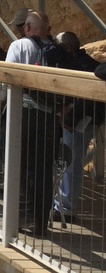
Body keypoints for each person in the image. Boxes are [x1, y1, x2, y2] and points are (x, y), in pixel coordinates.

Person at [0, 12, 56, 237]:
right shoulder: (55, 49)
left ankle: (23, 217)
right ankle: (40, 222)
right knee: (42, 170)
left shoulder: (19, 46)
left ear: (29, 27)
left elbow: (6, 77)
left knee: (14, 163)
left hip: (22, 113)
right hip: (48, 117)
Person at [53, 31, 102, 223]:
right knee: (69, 162)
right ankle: (63, 204)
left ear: (67, 47)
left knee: (71, 163)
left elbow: (86, 99)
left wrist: (70, 119)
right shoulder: (86, 62)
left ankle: (66, 207)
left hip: (80, 122)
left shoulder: (83, 65)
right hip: (80, 120)